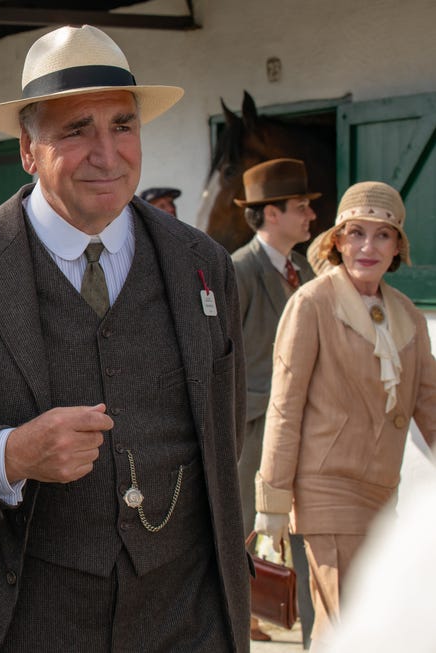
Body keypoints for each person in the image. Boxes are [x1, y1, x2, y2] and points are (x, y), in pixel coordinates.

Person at [0, 25, 249, 651]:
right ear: (27, 149)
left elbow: (221, 438)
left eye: (123, 125)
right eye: (76, 130)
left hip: (179, 617)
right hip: (13, 620)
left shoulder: (202, 264)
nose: (107, 152)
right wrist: (6, 455)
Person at [254, 181, 436, 645]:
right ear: (336, 240)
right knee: (355, 623)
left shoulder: (409, 316)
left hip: (382, 496)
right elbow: (284, 407)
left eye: (383, 235)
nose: (368, 246)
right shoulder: (311, 304)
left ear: (398, 247)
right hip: (325, 491)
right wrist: (272, 504)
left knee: (354, 631)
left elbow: (430, 407)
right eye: (356, 232)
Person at [230, 157, 318, 643]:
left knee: (301, 520)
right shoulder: (238, 270)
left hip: (305, 421)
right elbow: (219, 356)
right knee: (246, 518)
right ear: (270, 214)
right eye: (300, 207)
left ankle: (304, 614)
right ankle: (240, 614)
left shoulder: (303, 268)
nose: (310, 216)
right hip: (253, 421)